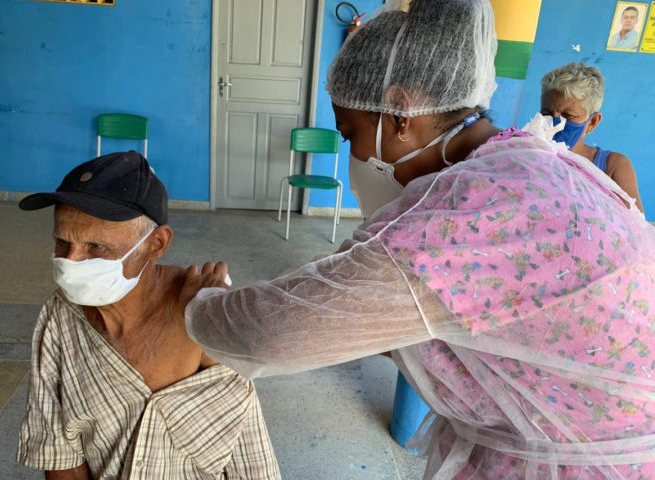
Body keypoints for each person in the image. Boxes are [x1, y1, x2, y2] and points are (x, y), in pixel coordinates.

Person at [180, 1, 655, 478]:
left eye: (349, 134)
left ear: (400, 114)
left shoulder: (465, 212)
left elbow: (269, 335)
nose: (355, 153)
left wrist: (195, 304)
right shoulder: (528, 161)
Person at [16, 151, 280, 479]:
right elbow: (57, 450)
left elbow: (242, 442)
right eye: (61, 242)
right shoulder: (60, 318)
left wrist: (217, 328)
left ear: (156, 244)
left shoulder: (198, 312)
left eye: (96, 247)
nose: (71, 261)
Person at [541, 62, 643, 212]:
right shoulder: (527, 154)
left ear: (592, 122)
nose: (555, 122)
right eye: (546, 114)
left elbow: (634, 223)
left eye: (567, 115)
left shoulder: (613, 166)